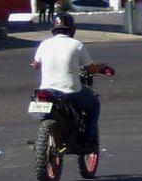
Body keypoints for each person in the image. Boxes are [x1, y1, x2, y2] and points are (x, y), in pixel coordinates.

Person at [31, 13, 110, 149]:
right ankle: (88, 140)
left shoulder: (44, 44)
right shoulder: (77, 45)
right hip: (69, 91)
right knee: (94, 104)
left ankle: (47, 140)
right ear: (72, 30)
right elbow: (90, 69)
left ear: (53, 29)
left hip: (46, 90)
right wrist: (101, 67)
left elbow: (35, 64)